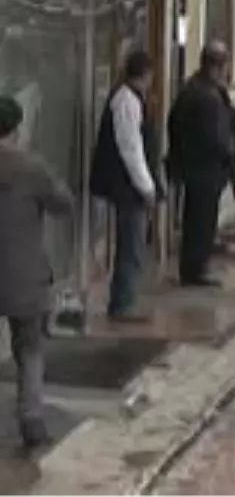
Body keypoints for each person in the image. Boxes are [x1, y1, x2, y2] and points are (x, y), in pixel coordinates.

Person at [0, 96, 74, 451]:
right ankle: (31, 421)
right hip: (23, 276)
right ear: (16, 129)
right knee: (29, 348)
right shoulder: (31, 167)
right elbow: (64, 204)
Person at [90, 49, 161, 321]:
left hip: (128, 184)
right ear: (145, 74)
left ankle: (126, 300)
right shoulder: (127, 101)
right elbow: (131, 147)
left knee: (134, 242)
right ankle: (122, 304)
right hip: (127, 186)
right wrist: (147, 187)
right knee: (131, 243)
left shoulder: (130, 98)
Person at [167, 41, 235, 287]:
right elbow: (215, 136)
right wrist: (228, 155)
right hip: (205, 169)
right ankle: (195, 269)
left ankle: (193, 267)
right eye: (224, 66)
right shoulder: (206, 95)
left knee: (195, 218)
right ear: (216, 67)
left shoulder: (194, 89)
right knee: (201, 221)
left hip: (194, 167)